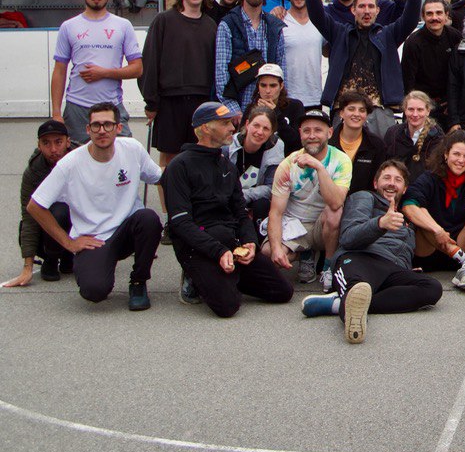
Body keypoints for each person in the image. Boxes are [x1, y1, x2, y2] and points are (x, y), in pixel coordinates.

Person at [26, 102, 163, 310]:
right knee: (94, 291)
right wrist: (69, 243)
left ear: (118, 128)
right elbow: (35, 206)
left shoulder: (133, 149)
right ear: (87, 130)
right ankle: (96, 265)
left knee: (149, 219)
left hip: (126, 231)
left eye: (108, 125)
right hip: (94, 239)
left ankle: (138, 282)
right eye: (96, 126)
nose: (102, 130)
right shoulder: (70, 163)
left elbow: (160, 178)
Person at [165, 101, 294, 317]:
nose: (233, 128)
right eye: (225, 123)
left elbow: (240, 212)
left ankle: (226, 276)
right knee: (228, 306)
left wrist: (250, 243)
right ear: (206, 127)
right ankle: (196, 275)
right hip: (198, 246)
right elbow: (180, 223)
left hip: (230, 243)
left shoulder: (225, 164)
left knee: (283, 291)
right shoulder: (179, 166)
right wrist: (218, 252)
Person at [302, 160, 443, 344]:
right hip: (359, 258)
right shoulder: (364, 198)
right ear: (376, 183)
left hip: (391, 268)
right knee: (357, 286)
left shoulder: (406, 219)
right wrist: (380, 224)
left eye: (398, 180)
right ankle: (351, 310)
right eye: (387, 178)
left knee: (432, 288)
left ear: (405, 188)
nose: (392, 183)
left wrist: (407, 269)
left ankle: (340, 303)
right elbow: (348, 237)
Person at [305, 0, 421, 138]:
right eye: (361, 6)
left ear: (377, 11)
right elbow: (316, 14)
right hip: (343, 109)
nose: (366, 11)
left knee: (382, 156)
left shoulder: (389, 34)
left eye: (370, 6)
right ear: (353, 10)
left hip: (379, 109)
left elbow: (411, 18)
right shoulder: (339, 33)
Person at [265, 107, 351, 292]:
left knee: (335, 212)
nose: (312, 135)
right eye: (306, 131)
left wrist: (319, 168)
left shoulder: (341, 160)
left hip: (324, 226)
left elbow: (336, 202)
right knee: (268, 253)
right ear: (300, 134)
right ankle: (303, 253)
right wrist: (276, 248)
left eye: (318, 130)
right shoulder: (288, 164)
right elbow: (276, 211)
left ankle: (328, 266)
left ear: (329, 132)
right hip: (296, 224)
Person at [51, 0, 143, 142]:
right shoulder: (68, 26)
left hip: (112, 106)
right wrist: (56, 113)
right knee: (79, 162)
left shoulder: (123, 25)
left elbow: (137, 69)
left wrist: (104, 73)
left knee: (122, 156)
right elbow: (59, 70)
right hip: (77, 107)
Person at [141, 0, 218, 167]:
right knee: (170, 159)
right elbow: (149, 62)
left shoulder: (211, 26)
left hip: (201, 100)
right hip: (170, 101)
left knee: (199, 157)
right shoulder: (164, 21)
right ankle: (169, 200)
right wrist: (151, 101)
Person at [402, 129, 465, 293]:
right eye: (456, 154)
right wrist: (437, 230)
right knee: (421, 211)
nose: (461, 160)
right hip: (429, 250)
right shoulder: (429, 178)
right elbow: (408, 205)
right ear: (446, 154)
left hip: (461, 244)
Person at [5, 119, 73, 287]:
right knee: (58, 210)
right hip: (49, 233)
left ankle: (71, 256)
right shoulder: (33, 173)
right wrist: (27, 267)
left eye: (58, 142)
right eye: (46, 143)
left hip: (80, 227)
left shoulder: (82, 161)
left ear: (68, 141)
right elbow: (29, 218)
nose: (53, 149)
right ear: (39, 145)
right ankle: (51, 258)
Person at [214, 0, 287, 112]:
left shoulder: (274, 26)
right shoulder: (228, 24)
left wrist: (277, 106)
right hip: (238, 107)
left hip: (267, 107)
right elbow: (221, 72)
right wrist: (232, 108)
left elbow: (281, 69)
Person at [400, 0, 462, 128]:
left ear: (446, 15)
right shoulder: (413, 43)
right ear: (423, 17)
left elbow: (461, 75)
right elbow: (408, 81)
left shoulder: (455, 37)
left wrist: (453, 104)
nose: (435, 17)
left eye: (439, 13)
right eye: (429, 13)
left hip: (449, 107)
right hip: (422, 107)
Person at [227, 105, 287, 226]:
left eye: (266, 128)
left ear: (271, 132)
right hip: (230, 197)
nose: (260, 132)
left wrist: (244, 195)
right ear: (248, 124)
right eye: (256, 126)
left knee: (262, 204)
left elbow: (272, 187)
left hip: (255, 198)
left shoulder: (276, 147)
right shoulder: (229, 145)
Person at [275, 0, 324, 108]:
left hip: (315, 96)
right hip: (287, 97)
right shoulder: (279, 20)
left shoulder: (320, 20)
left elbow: (327, 50)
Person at [330, 90, 389, 194]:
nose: (356, 114)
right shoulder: (328, 143)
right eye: (351, 109)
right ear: (342, 113)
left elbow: (377, 182)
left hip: (362, 202)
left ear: (366, 115)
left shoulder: (377, 145)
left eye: (362, 110)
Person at [383, 90, 442, 183]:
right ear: (404, 110)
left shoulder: (437, 137)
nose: (415, 114)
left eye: (420, 110)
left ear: (428, 111)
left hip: (423, 190)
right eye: (411, 109)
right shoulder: (393, 133)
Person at [246, 63, 305, 152]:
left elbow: (297, 141)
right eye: (263, 85)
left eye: (273, 85)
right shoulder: (251, 108)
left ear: (281, 86)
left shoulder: (295, 106)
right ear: (258, 86)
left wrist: (276, 114)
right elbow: (243, 138)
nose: (268, 91)